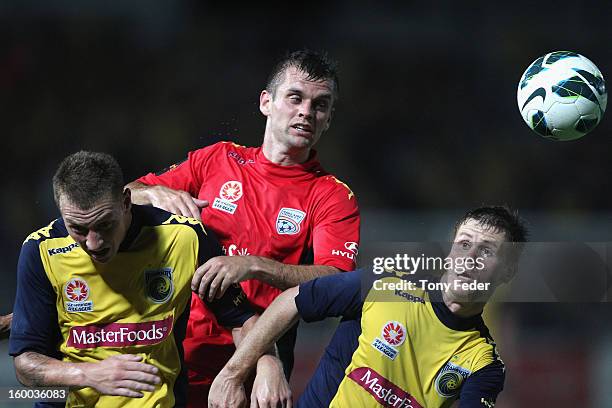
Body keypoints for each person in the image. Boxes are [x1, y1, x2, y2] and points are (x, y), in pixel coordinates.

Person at [126, 49, 360, 405]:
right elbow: (128, 195)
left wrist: (253, 265)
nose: (306, 112)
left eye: (320, 105)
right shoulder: (217, 158)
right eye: (295, 98)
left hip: (252, 370)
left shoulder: (332, 196)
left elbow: (336, 282)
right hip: (168, 355)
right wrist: (158, 193)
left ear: (328, 119)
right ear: (266, 102)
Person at [9, 151, 289, 408]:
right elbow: (26, 365)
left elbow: (240, 319)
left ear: (126, 201)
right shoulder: (41, 250)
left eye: (105, 225)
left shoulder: (185, 239)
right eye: (78, 229)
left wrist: (266, 363)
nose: (93, 242)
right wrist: (89, 374)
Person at [209, 206, 528, 407]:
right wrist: (233, 375)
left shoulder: (484, 364)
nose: (469, 259)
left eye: (486, 251)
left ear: (508, 270)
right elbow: (292, 300)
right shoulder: (388, 284)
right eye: (464, 244)